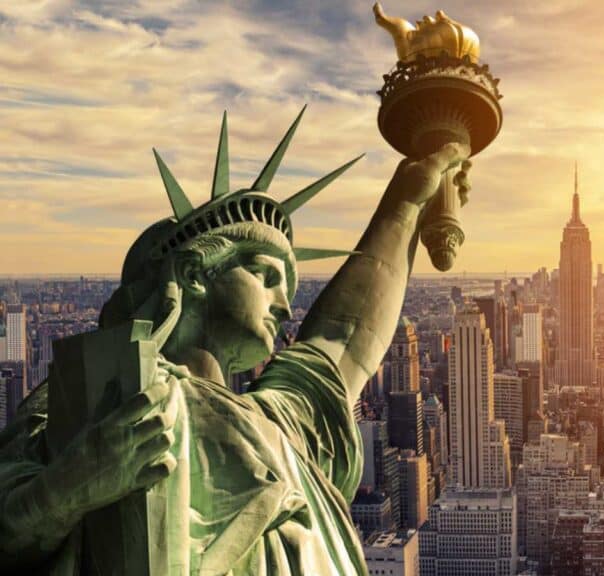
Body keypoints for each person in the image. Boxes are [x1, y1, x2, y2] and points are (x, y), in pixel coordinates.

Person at [0, 110, 471, 575]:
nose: (285, 305)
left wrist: (409, 201)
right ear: (193, 274)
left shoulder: (276, 424)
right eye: (266, 275)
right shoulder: (97, 396)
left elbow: (343, 338)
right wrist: (68, 488)